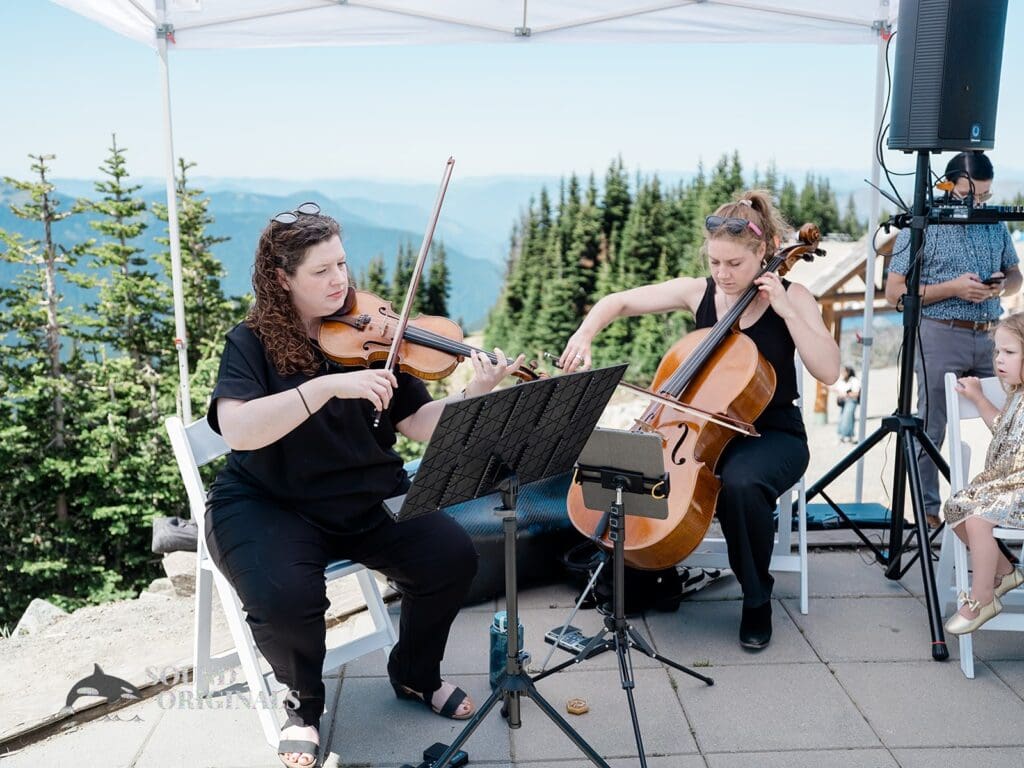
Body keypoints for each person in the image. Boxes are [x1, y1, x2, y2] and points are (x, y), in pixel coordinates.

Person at [204, 202, 524, 768]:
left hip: (358, 498)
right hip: (268, 504)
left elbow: (420, 424)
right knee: (287, 596)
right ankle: (303, 707)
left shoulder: (376, 329)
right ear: (283, 279)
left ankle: (414, 674)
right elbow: (238, 429)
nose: (339, 281)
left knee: (449, 557)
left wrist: (477, 390)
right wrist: (329, 389)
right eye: (320, 271)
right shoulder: (250, 342)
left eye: (342, 265)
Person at [558, 190, 840, 650]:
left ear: (764, 251)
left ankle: (756, 598)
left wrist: (788, 313)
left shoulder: (794, 296)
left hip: (772, 432)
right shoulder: (699, 292)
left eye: (735, 265)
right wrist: (586, 332)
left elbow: (829, 369)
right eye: (715, 264)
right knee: (625, 468)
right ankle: (630, 577)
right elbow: (619, 301)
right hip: (694, 429)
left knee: (741, 483)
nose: (724, 276)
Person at [885, 151, 1021, 527]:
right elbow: (894, 292)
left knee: (1016, 419)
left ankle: (1003, 509)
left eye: (984, 197)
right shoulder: (923, 225)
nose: (977, 204)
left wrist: (998, 288)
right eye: (969, 196)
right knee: (932, 424)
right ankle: (928, 513)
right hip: (940, 334)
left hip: (992, 335)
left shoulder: (993, 225)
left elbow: (1016, 276)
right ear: (946, 187)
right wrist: (952, 288)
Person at [943, 312, 1024, 635]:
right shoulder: (1016, 395)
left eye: (1010, 352)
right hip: (1005, 486)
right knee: (957, 506)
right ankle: (1004, 573)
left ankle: (981, 598)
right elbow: (1002, 430)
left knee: (978, 519)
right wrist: (978, 398)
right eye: (997, 352)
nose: (999, 360)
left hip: (1018, 489)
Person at [832, 365, 861, 444]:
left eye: (843, 372)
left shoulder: (854, 381)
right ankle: (845, 436)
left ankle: (846, 436)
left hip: (851, 401)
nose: (842, 373)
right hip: (843, 402)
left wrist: (846, 394)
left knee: (847, 417)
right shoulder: (842, 381)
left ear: (848, 372)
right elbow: (837, 389)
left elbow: (856, 393)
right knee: (842, 418)